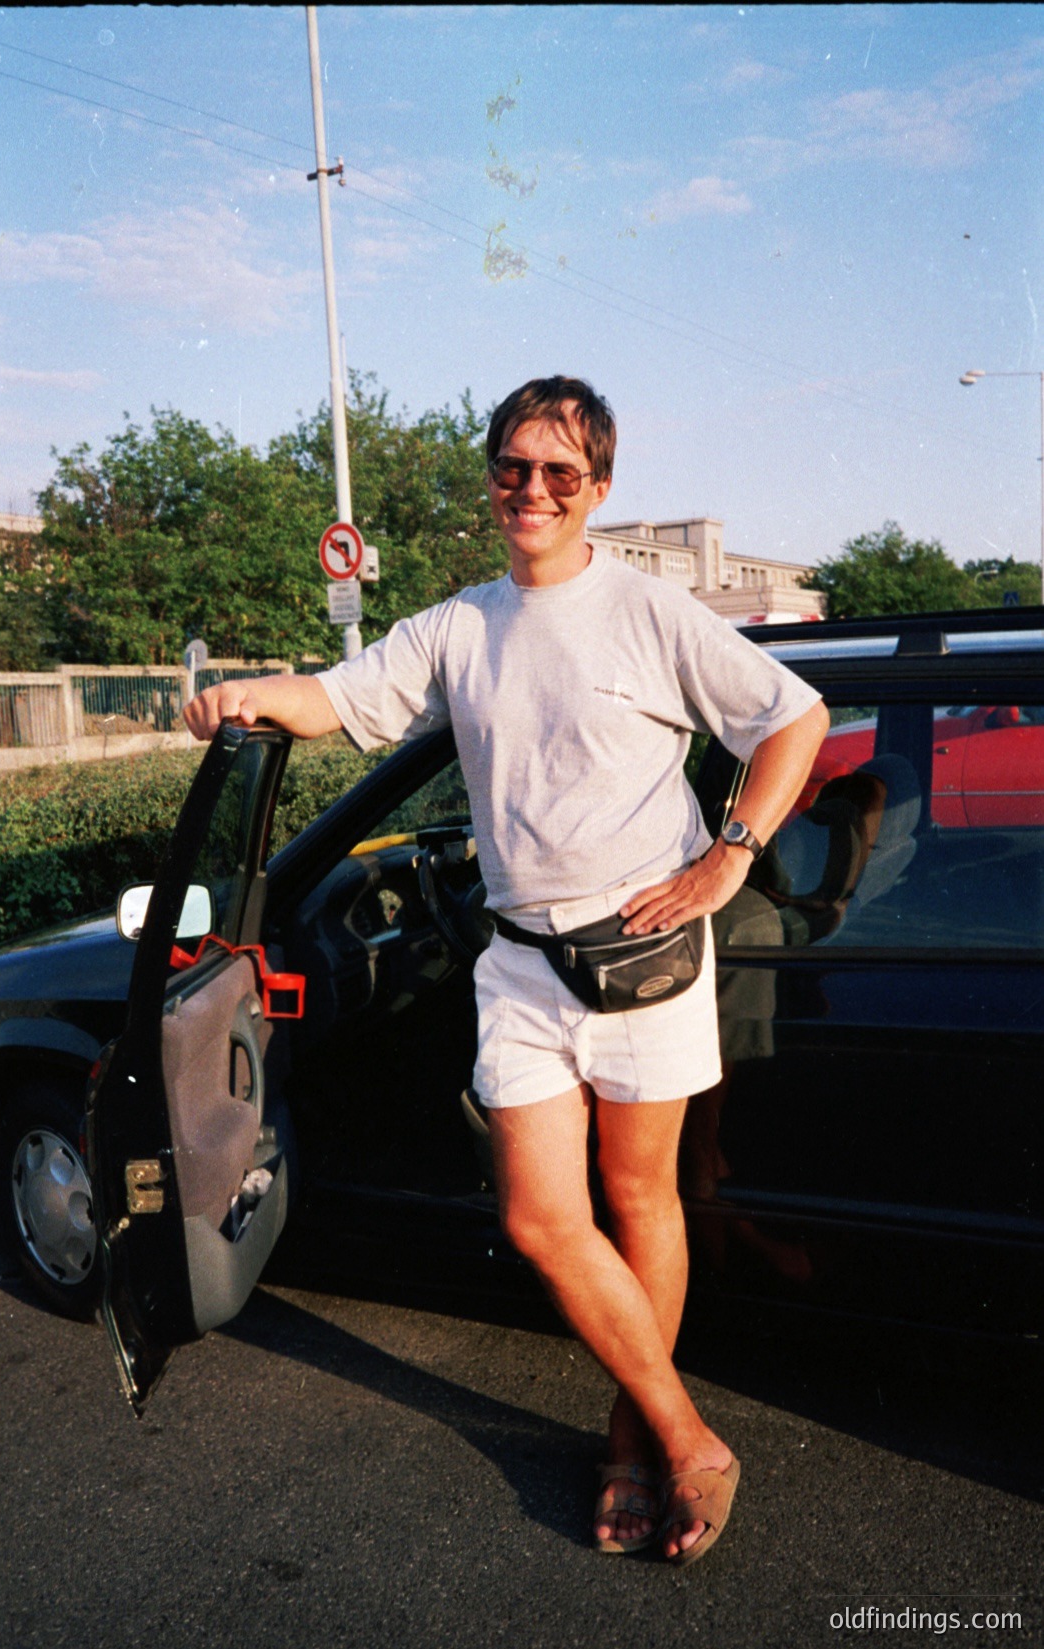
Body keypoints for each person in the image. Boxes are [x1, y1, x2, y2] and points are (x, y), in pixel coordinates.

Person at [184, 377, 829, 1564]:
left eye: (559, 473)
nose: (531, 490)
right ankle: (692, 1437)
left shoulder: (648, 611)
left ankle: (634, 1441)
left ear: (597, 488)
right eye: (512, 468)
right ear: (491, 475)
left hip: (643, 957)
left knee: (641, 1202)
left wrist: (729, 855)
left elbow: (792, 718)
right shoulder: (458, 624)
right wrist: (238, 695)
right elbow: (332, 698)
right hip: (521, 966)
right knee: (541, 1219)